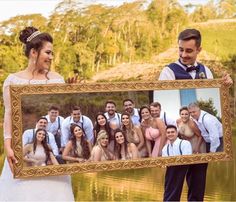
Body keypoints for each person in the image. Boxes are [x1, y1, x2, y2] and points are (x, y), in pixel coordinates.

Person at [0, 26, 74, 201]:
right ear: (34, 52)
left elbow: (64, 110)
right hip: (22, 154)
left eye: (52, 53)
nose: (51, 57)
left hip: (50, 157)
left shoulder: (57, 79)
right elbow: (9, 114)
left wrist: (73, 92)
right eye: (47, 53)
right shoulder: (13, 80)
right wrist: (8, 147)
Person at [159, 28, 232, 201]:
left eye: (189, 50)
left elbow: (214, 95)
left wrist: (224, 87)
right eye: (180, 49)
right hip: (177, 151)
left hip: (199, 152)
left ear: (199, 49)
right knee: (172, 193)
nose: (183, 54)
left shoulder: (206, 71)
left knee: (197, 193)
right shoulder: (168, 72)